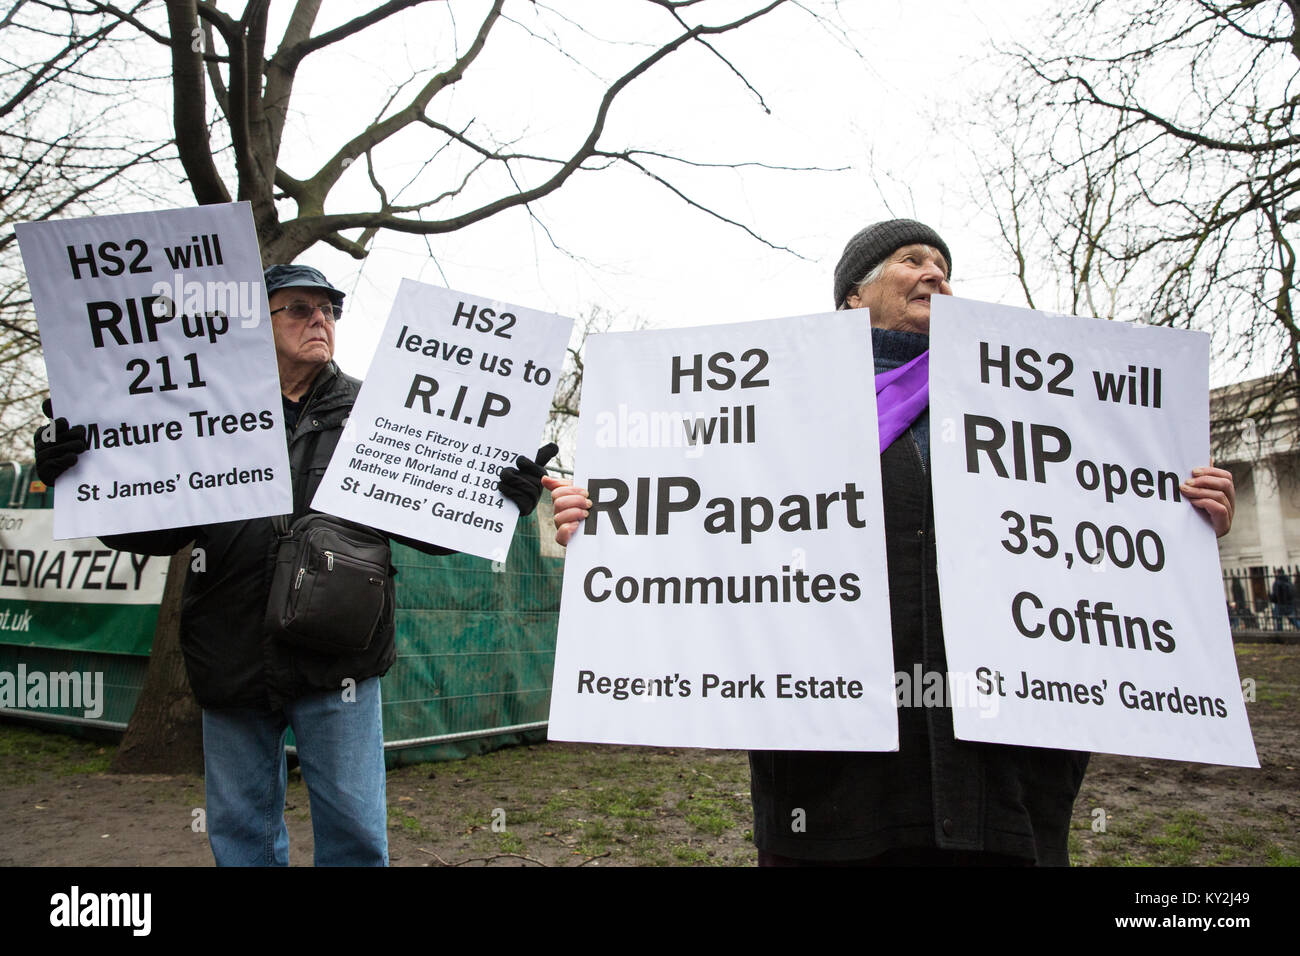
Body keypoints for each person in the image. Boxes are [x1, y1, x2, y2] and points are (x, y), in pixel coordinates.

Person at [543, 219, 1236, 865]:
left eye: (944, 265)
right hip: (835, 777)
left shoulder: (1035, 412)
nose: (935, 273)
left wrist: (1183, 524)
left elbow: (1093, 547)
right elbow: (697, 530)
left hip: (1000, 773)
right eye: (912, 260)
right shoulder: (772, 416)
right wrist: (606, 524)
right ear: (852, 297)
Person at [34, 264, 554, 866]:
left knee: (356, 836)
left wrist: (496, 496)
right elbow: (155, 531)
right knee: (240, 836)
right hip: (231, 651)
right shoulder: (200, 410)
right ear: (258, 323)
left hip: (341, 657)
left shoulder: (376, 410)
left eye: (329, 309)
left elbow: (432, 530)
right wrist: (79, 473)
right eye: (301, 308)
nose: (321, 320)